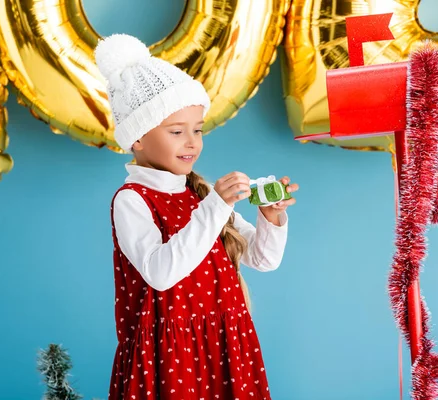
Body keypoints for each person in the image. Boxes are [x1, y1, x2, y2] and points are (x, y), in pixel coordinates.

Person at [94, 33, 298, 400]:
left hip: (226, 343)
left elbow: (263, 259)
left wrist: (270, 217)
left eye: (198, 130)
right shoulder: (132, 200)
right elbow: (161, 273)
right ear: (137, 138)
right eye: (177, 132)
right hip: (172, 354)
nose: (192, 142)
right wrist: (217, 207)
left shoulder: (199, 194)